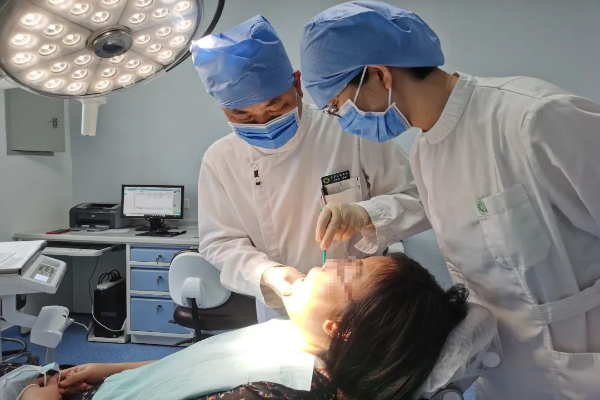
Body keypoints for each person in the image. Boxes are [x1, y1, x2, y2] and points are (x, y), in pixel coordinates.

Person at [299, 1, 600, 399]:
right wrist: (365, 213)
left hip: (581, 371)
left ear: (380, 75)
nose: (343, 121)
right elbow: (460, 210)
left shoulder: (534, 121)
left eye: (339, 107)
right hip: (500, 371)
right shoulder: (427, 151)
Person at [191, 15, 430, 322]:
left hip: (363, 307)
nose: (264, 123)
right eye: (244, 117)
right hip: (282, 307)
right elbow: (219, 242)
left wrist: (367, 214)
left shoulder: (349, 129)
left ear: (297, 84)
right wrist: (266, 273)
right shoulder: (220, 160)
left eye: (276, 107)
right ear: (223, 108)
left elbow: (419, 200)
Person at [18, 254, 469, 400]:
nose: (331, 260)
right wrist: (110, 368)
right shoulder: (293, 340)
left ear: (341, 328)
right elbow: (199, 367)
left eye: (347, 271)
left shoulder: (280, 392)